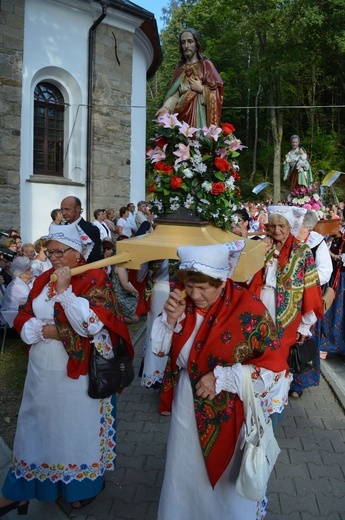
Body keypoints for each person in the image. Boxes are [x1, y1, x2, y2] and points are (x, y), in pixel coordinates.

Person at [0, 224, 133, 516]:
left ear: (78, 252)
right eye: (50, 251)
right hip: (42, 370)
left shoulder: (94, 276)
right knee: (38, 424)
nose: (54, 257)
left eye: (60, 252)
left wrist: (63, 293)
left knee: (74, 429)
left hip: (78, 372)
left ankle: (81, 487)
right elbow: (24, 314)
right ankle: (24, 490)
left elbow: (94, 325)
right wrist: (39, 329)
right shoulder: (43, 277)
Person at [151, 242, 290, 520]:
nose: (196, 294)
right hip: (187, 407)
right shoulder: (181, 304)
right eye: (190, 286)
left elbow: (274, 369)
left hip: (233, 416)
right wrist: (169, 320)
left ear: (221, 280)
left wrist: (224, 377)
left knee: (227, 483)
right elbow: (160, 351)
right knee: (186, 469)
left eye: (204, 288)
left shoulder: (247, 309)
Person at [248, 206, 323, 404]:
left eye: (281, 225)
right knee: (258, 347)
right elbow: (246, 276)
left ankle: (275, 399)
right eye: (272, 226)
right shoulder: (263, 246)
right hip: (261, 302)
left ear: (290, 226)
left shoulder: (302, 251)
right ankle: (256, 394)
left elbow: (310, 286)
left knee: (280, 354)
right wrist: (258, 252)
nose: (277, 230)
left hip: (289, 312)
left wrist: (306, 324)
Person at [288, 210, 332, 396]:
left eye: (298, 226)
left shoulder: (317, 243)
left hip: (308, 299)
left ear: (307, 227)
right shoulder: (290, 240)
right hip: (287, 297)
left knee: (302, 342)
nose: (294, 229)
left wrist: (302, 281)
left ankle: (297, 384)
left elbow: (325, 271)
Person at [156, 28, 223, 128]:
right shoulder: (179, 69)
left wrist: (202, 89)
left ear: (196, 44)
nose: (186, 46)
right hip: (181, 118)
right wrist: (166, 107)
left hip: (200, 119)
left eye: (190, 41)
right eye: (183, 42)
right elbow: (175, 94)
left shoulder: (205, 65)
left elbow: (218, 92)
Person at [320, 223, 345, 358]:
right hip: (339, 276)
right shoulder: (337, 236)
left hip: (341, 276)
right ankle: (331, 343)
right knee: (335, 309)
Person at [60, 196, 103, 263]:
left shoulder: (90, 229)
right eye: (62, 210)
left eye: (67, 209)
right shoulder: (61, 228)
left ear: (77, 209)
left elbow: (95, 257)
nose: (63, 213)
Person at [1, 256, 33, 321]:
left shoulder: (25, 282)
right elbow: (31, 301)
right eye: (28, 269)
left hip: (23, 313)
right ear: (21, 274)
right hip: (14, 317)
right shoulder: (17, 286)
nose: (32, 270)